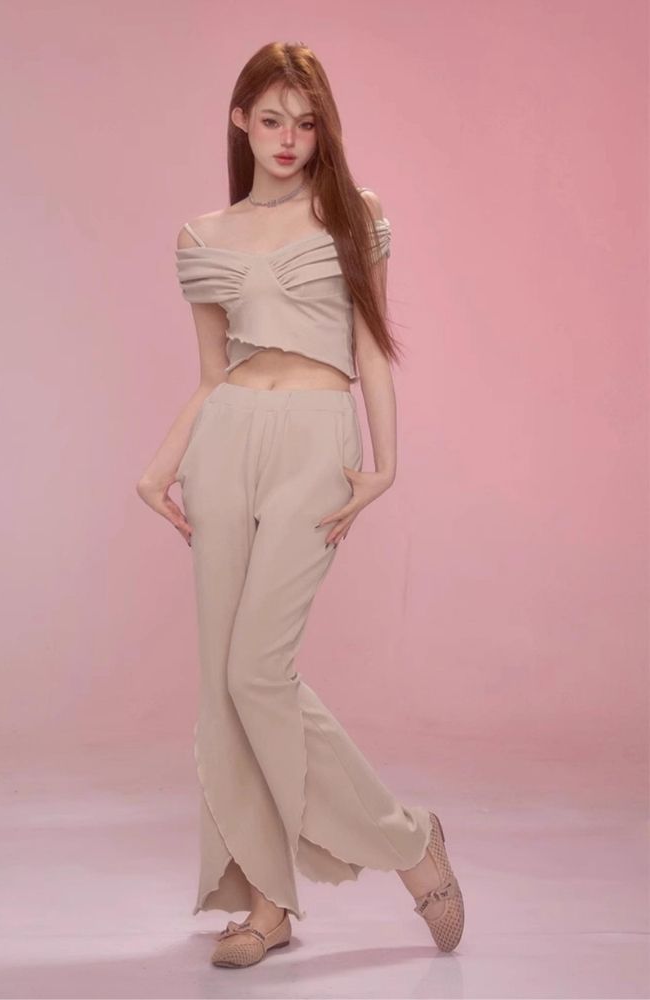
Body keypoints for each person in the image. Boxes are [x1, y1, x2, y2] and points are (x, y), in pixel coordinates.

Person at [137, 40, 465, 968]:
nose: (289, 138)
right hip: (226, 439)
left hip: (317, 438)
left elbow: (369, 350)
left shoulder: (354, 213)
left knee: (257, 671)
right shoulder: (202, 236)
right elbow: (212, 374)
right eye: (272, 119)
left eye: (307, 122)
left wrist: (385, 465)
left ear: (324, 131)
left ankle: (409, 841)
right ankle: (267, 905)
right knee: (222, 687)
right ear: (240, 121)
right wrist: (159, 469)